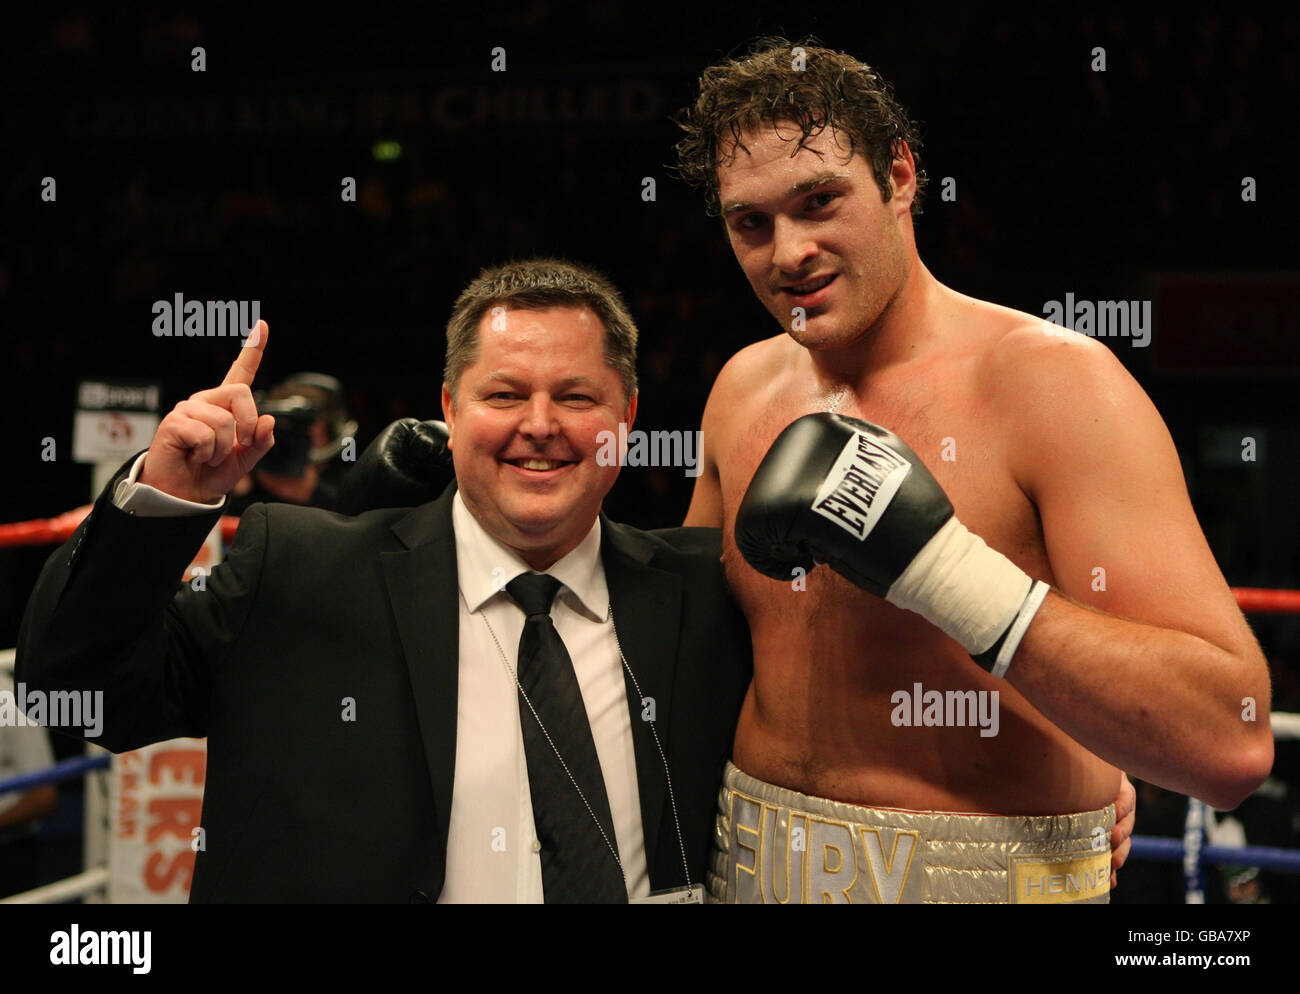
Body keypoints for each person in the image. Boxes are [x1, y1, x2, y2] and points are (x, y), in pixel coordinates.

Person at [669, 37, 1271, 903]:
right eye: (751, 222)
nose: (789, 252)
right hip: (746, 868)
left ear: (902, 177)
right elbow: (689, 650)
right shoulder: (741, 389)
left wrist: (948, 573)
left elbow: (1233, 743)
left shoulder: (1056, 385)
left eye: (820, 201)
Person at [16, 259, 751, 903]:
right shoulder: (302, 571)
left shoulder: (704, 591)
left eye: (577, 397)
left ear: (626, 417)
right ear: (450, 410)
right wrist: (166, 500)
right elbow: (82, 693)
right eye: (502, 396)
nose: (539, 423)